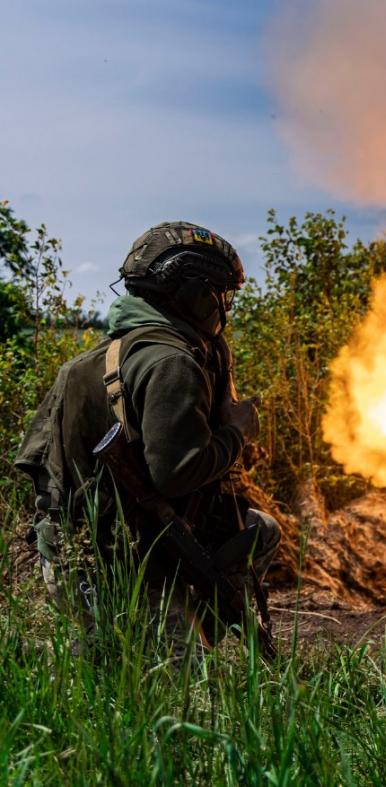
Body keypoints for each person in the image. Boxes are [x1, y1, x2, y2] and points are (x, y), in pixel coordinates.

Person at [16, 221, 279, 655]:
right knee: (184, 694)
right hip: (111, 568)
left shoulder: (89, 362)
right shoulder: (172, 363)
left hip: (71, 557)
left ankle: (147, 638)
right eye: (220, 293)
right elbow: (178, 474)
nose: (224, 307)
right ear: (195, 293)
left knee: (259, 530)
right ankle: (69, 654)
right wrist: (238, 432)